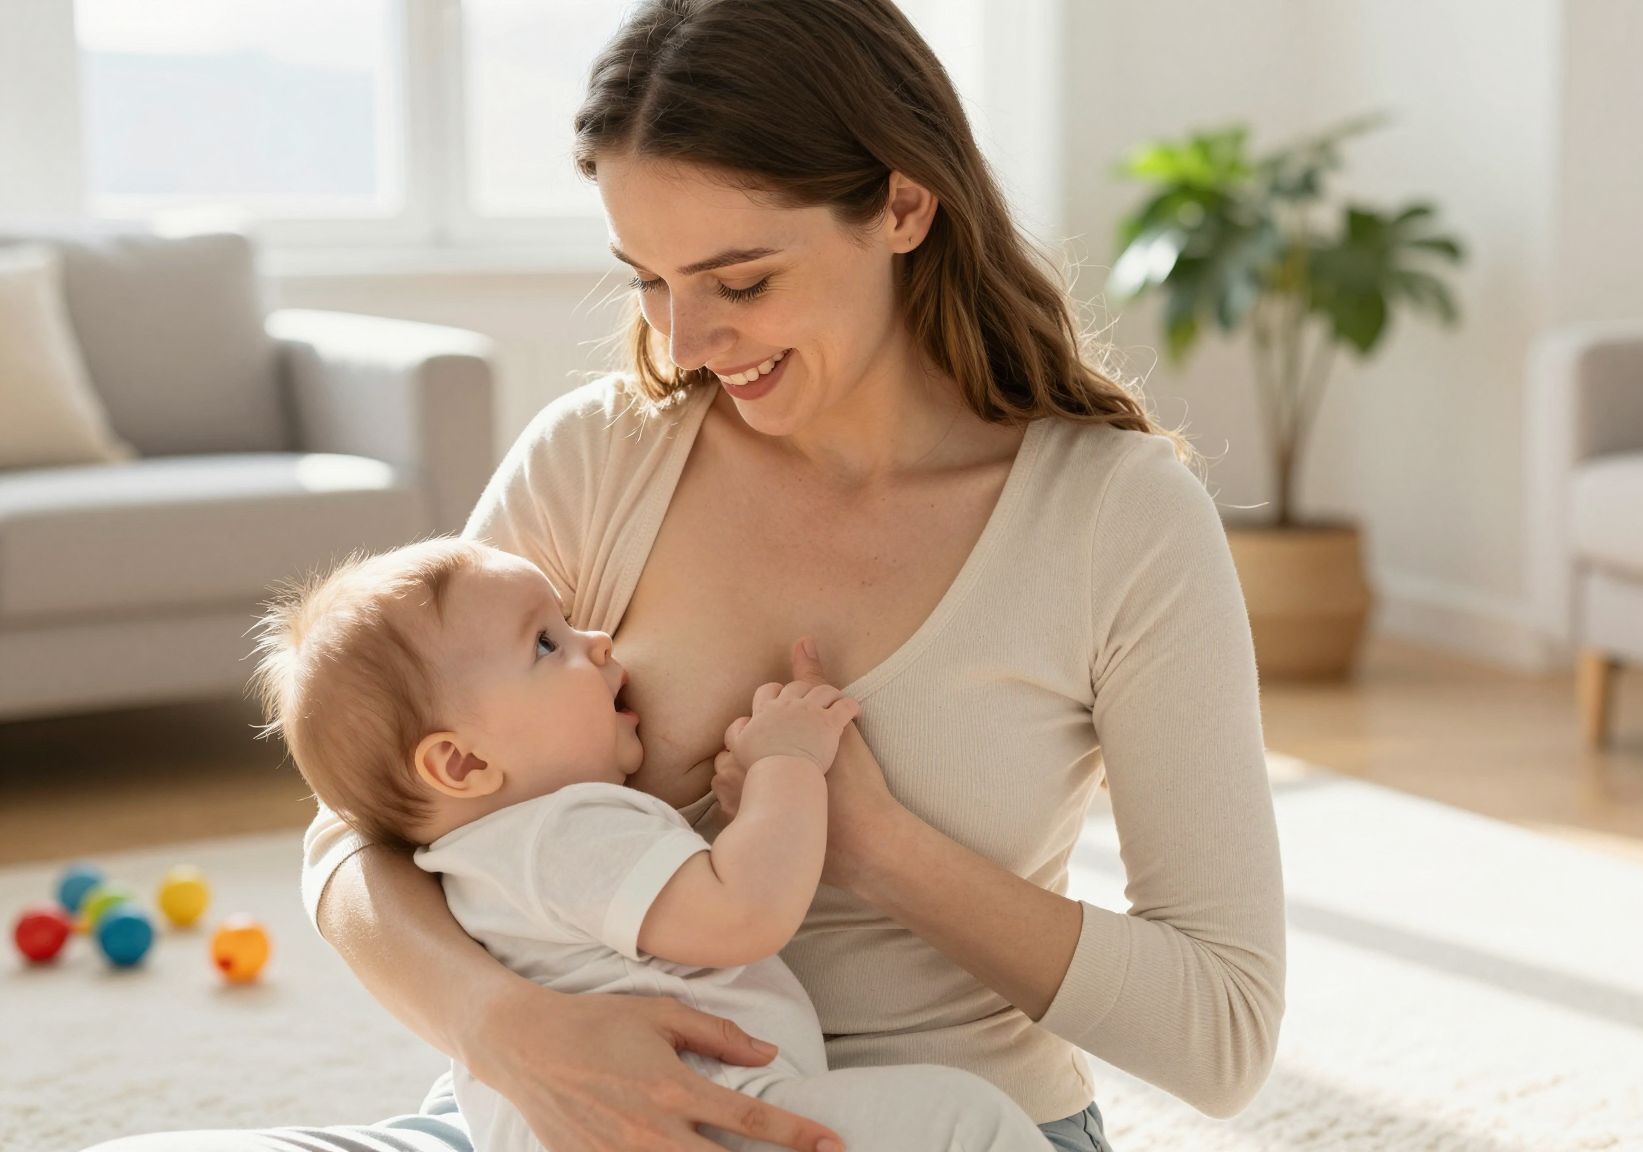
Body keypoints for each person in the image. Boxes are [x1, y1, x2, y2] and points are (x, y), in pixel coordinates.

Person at [92, 0, 1282, 1149]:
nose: (682, 343)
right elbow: (356, 839)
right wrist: (508, 1032)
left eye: (741, 281)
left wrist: (873, 843)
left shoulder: (1113, 518)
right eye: (645, 280)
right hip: (568, 1122)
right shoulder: (599, 455)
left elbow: (1221, 1035)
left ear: (905, 206)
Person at [242, 537, 1052, 1152]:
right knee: (965, 1122)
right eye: (546, 645)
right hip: (704, 1117)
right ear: (460, 761)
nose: (596, 640)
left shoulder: (475, 864)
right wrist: (786, 763)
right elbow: (743, 914)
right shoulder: (564, 830)